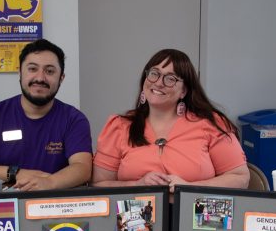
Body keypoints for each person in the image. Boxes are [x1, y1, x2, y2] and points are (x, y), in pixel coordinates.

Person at [92, 49, 249, 191]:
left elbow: (240, 178)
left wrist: (188, 188)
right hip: (137, 221)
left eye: (170, 78)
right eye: (154, 73)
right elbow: (99, 184)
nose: (159, 83)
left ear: (184, 91)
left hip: (192, 218)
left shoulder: (212, 124)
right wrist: (137, 185)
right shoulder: (119, 126)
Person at [0, 39, 93, 190]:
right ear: (20, 72)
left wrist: (49, 182)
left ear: (61, 78)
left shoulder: (74, 119)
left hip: (55, 204)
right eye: (32, 69)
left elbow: (83, 168)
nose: (40, 78)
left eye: (50, 71)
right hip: (7, 205)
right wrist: (16, 173)